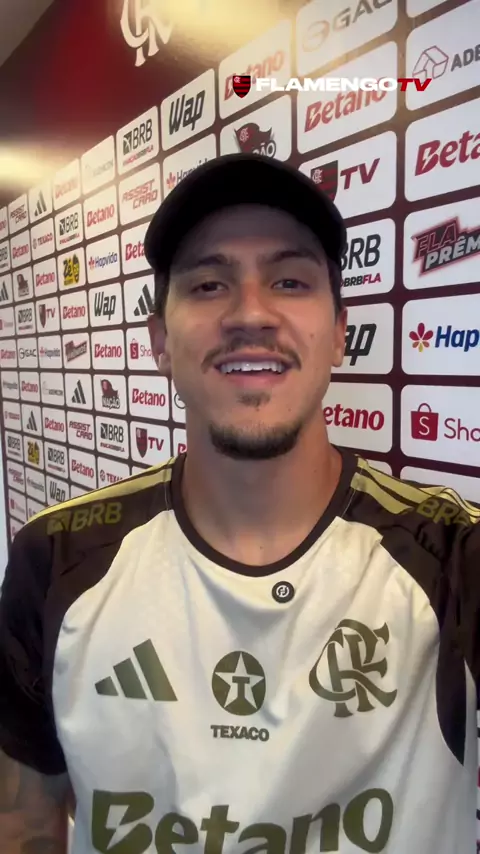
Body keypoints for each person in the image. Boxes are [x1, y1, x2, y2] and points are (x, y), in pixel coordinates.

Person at [0, 153, 479, 854]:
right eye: (208, 284)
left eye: (289, 281)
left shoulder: (454, 559)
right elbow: (25, 823)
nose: (251, 313)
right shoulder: (56, 559)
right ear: (161, 341)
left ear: (339, 332)